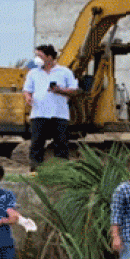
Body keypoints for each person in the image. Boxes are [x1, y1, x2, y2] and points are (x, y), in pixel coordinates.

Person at [22, 43, 78, 171]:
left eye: (40, 56)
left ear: (49, 57)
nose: (37, 59)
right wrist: (28, 97)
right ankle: (35, 171)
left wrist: (60, 90)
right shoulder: (33, 73)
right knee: (37, 144)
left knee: (61, 144)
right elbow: (27, 90)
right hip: (38, 114)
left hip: (59, 114)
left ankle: (62, 171)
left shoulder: (65, 72)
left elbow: (74, 91)